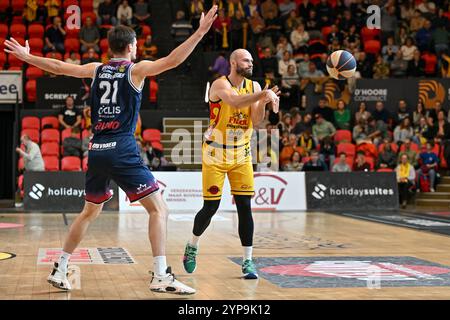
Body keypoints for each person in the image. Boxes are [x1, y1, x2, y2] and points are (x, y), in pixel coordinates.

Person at [4, 5, 219, 294]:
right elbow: (172, 60)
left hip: (96, 148)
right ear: (132, 47)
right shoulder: (136, 69)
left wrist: (28, 57)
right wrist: (201, 32)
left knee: (89, 212)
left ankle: (60, 266)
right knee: (158, 209)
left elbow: (57, 67)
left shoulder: (96, 70)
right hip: (122, 147)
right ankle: (160, 275)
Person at [182, 48, 280, 280]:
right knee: (211, 207)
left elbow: (255, 121)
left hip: (241, 154)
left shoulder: (255, 87)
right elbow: (235, 102)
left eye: (252, 61)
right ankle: (192, 245)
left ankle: (247, 261)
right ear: (233, 63)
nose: (251, 63)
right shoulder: (219, 85)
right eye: (246, 60)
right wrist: (263, 95)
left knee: (245, 207)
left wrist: (264, 101)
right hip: (215, 153)